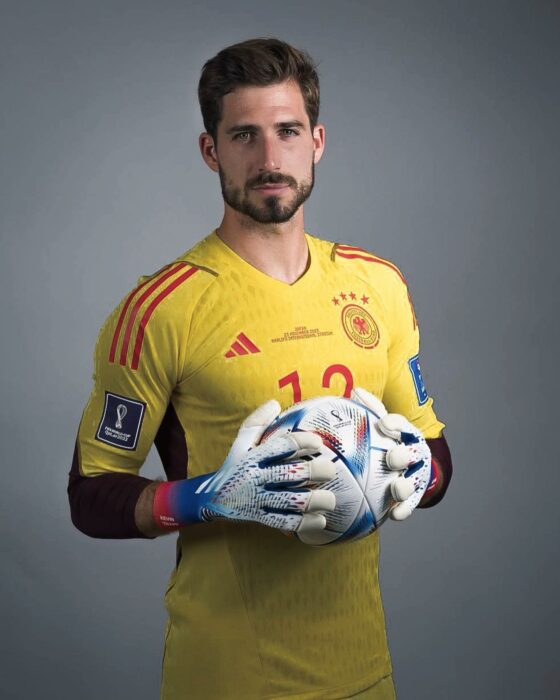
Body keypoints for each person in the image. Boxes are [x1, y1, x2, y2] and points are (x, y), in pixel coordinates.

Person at [68, 37, 452, 700]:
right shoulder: (161, 308)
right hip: (228, 676)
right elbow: (90, 495)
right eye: (244, 135)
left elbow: (436, 455)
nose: (270, 159)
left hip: (365, 673)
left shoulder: (379, 285)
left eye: (287, 131)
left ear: (318, 140)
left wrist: (422, 470)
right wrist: (203, 497)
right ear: (210, 150)